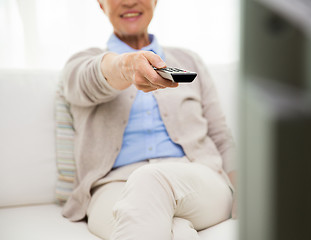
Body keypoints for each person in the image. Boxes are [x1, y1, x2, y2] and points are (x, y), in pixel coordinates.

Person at [58, 0, 237, 239]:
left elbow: (220, 137)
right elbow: (92, 78)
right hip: (113, 187)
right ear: (101, 4)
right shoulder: (81, 63)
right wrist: (126, 65)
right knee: (177, 232)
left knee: (149, 180)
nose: (130, 1)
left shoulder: (189, 61)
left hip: (197, 179)